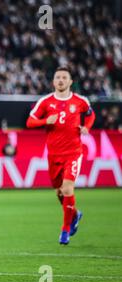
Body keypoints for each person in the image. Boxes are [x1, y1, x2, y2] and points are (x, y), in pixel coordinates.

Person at [26, 66, 95, 245]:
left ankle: (65, 231)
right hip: (54, 155)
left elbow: (90, 114)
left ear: (71, 82)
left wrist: (87, 127)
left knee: (67, 188)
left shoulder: (80, 101)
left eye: (65, 77)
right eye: (58, 77)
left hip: (73, 152)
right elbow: (30, 121)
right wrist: (44, 121)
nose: (61, 80)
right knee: (59, 192)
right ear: (53, 81)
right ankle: (75, 214)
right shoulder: (45, 102)